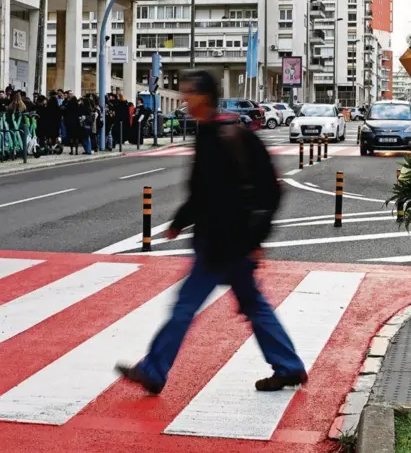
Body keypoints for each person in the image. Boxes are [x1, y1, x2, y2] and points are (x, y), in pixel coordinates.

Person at [116, 70, 306, 395]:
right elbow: (203, 193)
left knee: (186, 308)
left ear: (203, 96)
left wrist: (255, 239)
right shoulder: (208, 134)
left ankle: (154, 370)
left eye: (188, 92)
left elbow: (268, 190)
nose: (183, 99)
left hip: (225, 245)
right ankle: (289, 366)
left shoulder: (229, 135)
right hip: (224, 243)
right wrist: (179, 221)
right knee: (252, 306)